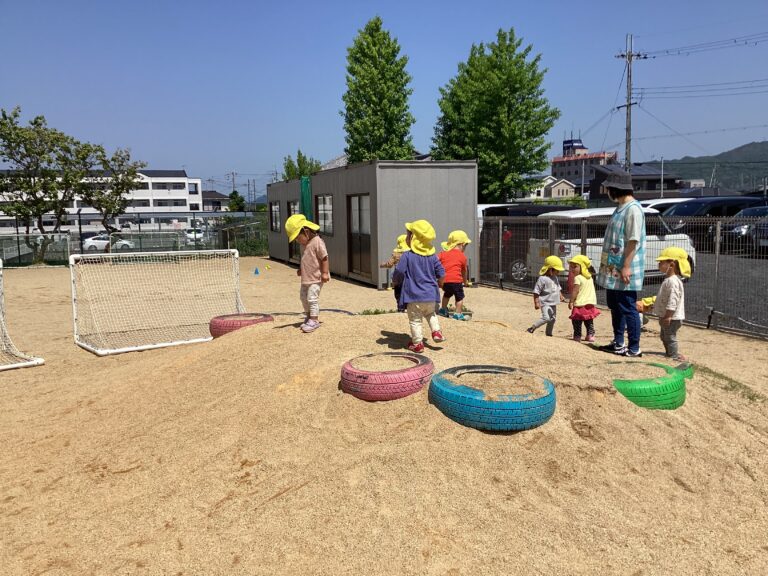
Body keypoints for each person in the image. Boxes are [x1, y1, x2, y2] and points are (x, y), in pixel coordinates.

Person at [596, 170, 646, 357]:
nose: (607, 192)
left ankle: (634, 348)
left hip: (625, 268)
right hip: (612, 267)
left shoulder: (633, 210)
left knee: (627, 306)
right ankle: (618, 342)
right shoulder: (620, 208)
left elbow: (633, 240)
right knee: (615, 305)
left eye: (609, 188)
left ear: (616, 189)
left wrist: (626, 266)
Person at [393, 220, 446, 353]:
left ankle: (417, 344)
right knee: (430, 313)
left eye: (408, 235)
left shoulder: (407, 256)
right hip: (431, 295)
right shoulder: (433, 257)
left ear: (413, 238)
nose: (406, 238)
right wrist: (441, 284)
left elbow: (399, 271)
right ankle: (436, 332)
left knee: (415, 320)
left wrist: (395, 281)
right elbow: (441, 273)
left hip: (413, 296)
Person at [285, 214, 330, 333]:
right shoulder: (304, 245)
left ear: (305, 231)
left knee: (312, 298)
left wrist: (325, 273)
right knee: (303, 297)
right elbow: (306, 258)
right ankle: (309, 316)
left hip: (317, 277)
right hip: (306, 277)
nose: (297, 240)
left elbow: (324, 257)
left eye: (297, 237)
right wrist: (301, 269)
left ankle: (314, 320)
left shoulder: (317, 242)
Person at [654, 247, 692, 361]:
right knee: (664, 336)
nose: (659, 264)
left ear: (672, 264)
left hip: (672, 317)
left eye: (662, 262)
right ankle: (669, 353)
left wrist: (668, 315)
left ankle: (674, 355)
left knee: (670, 336)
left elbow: (673, 300)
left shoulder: (673, 281)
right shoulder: (668, 279)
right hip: (665, 315)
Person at [526, 255, 566, 336]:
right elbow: (536, 291)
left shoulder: (555, 278)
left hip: (553, 303)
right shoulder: (542, 279)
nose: (558, 272)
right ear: (550, 270)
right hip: (545, 303)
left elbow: (558, 288)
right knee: (546, 318)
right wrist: (536, 302)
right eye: (557, 270)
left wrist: (561, 296)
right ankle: (532, 328)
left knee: (552, 319)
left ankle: (548, 334)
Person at [437, 230, 471, 320]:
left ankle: (443, 310)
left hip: (445, 281)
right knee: (459, 298)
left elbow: (436, 260)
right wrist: (465, 281)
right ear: (462, 244)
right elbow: (464, 272)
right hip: (456, 281)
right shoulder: (462, 256)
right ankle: (458, 314)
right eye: (466, 246)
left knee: (446, 294)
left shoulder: (443, 253)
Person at [567, 254, 600, 342]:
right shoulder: (590, 278)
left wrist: (571, 301)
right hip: (590, 303)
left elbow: (575, 291)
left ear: (582, 267)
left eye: (575, 267)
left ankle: (577, 335)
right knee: (589, 320)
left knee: (576, 320)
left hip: (580, 304)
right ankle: (590, 335)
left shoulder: (577, 278)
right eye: (571, 267)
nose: (572, 269)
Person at [380, 234, 409, 312]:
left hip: (398, 277)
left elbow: (389, 264)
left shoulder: (396, 254)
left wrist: (382, 265)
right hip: (409, 276)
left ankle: (400, 307)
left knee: (398, 292)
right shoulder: (411, 253)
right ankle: (409, 306)